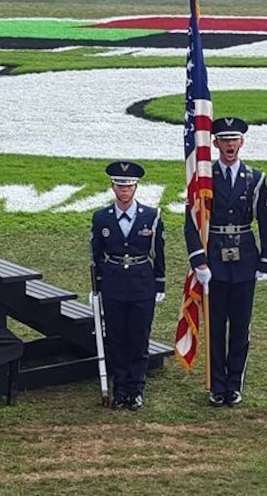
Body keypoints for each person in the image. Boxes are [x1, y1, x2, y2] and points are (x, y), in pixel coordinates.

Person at [185, 117, 267, 407]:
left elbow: (265, 221)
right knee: (215, 325)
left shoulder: (256, 178)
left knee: (240, 326)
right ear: (215, 144)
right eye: (225, 140)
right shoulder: (204, 178)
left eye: (234, 140)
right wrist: (199, 261)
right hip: (214, 260)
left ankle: (234, 384)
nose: (230, 145)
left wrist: (264, 262)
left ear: (242, 143)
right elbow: (192, 221)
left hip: (245, 258)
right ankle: (216, 384)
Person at [89, 161, 166, 411]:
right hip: (113, 284)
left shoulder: (151, 216)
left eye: (129, 186)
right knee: (116, 338)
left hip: (142, 283)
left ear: (136, 188)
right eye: (120, 186)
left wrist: (160, 284)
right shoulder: (101, 218)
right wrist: (98, 286)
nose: (125, 191)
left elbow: (159, 253)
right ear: (113, 187)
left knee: (138, 338)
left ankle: (136, 390)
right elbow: (97, 255)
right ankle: (120, 389)